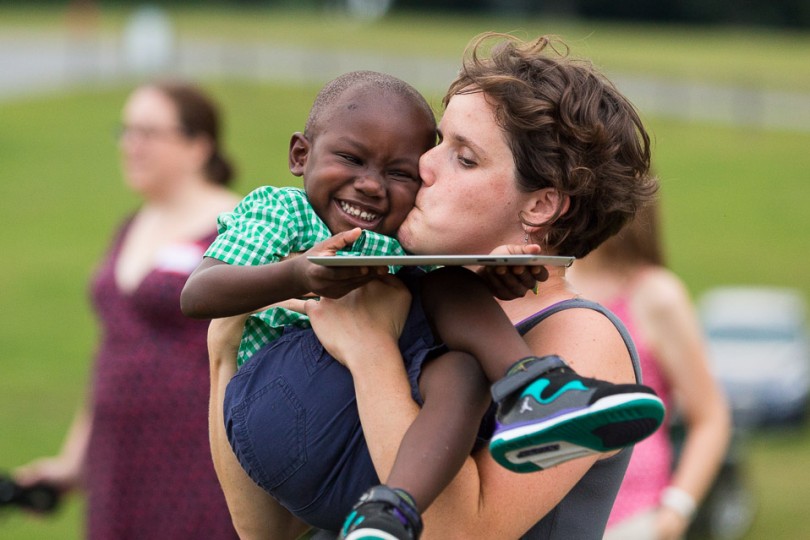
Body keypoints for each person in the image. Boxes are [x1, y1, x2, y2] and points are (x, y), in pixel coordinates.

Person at [208, 32, 662, 539]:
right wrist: (224, 351)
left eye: (463, 157)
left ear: (539, 206)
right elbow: (266, 531)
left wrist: (369, 350)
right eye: (438, 141)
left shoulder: (582, 337)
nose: (422, 164)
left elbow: (452, 533)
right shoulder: (407, 289)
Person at [14, 82, 241, 539]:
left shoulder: (237, 228)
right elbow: (112, 353)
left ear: (198, 146)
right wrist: (72, 463)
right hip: (117, 462)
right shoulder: (132, 225)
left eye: (149, 133)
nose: (131, 146)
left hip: (197, 459)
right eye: (127, 131)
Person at [568, 201, 732, 540]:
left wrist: (675, 510)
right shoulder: (544, 282)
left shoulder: (656, 295)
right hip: (550, 517)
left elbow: (711, 416)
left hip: (632, 520)